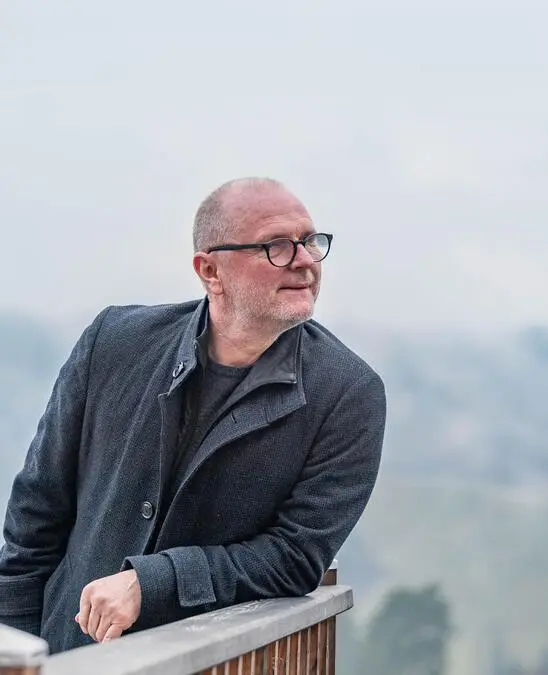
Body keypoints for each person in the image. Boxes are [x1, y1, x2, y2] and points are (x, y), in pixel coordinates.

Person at [0, 177, 386, 653]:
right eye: (277, 246)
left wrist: (154, 582)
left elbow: (295, 556)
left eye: (310, 241)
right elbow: (36, 514)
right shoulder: (113, 342)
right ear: (210, 270)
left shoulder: (349, 393)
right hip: (67, 655)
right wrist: (15, 646)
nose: (305, 260)